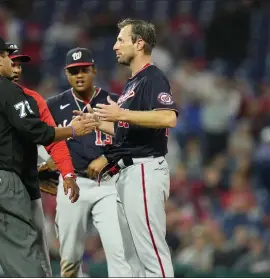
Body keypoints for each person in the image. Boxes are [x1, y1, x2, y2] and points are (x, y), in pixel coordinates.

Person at [0, 34, 97, 277]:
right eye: (8, 56)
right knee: (24, 255)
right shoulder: (7, 90)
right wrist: (73, 130)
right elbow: (35, 131)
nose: (12, 62)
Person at [76, 19, 178, 277]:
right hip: (127, 173)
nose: (115, 46)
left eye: (121, 39)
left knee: (150, 252)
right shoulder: (132, 83)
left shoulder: (152, 77)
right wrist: (97, 122)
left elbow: (168, 118)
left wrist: (120, 113)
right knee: (131, 257)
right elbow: (125, 129)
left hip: (144, 169)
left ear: (139, 43)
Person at [38, 47, 132, 277]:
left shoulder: (113, 101)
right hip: (73, 184)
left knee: (118, 250)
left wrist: (107, 158)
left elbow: (132, 142)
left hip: (109, 184)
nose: (79, 75)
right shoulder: (54, 104)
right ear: (66, 74)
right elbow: (39, 138)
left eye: (84, 70)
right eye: (73, 71)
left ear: (94, 71)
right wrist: (49, 161)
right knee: (69, 257)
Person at [8, 45, 79, 277]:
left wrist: (66, 173)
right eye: (12, 62)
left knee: (37, 252)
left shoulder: (33, 99)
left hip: (25, 188)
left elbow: (51, 140)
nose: (17, 69)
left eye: (19, 64)